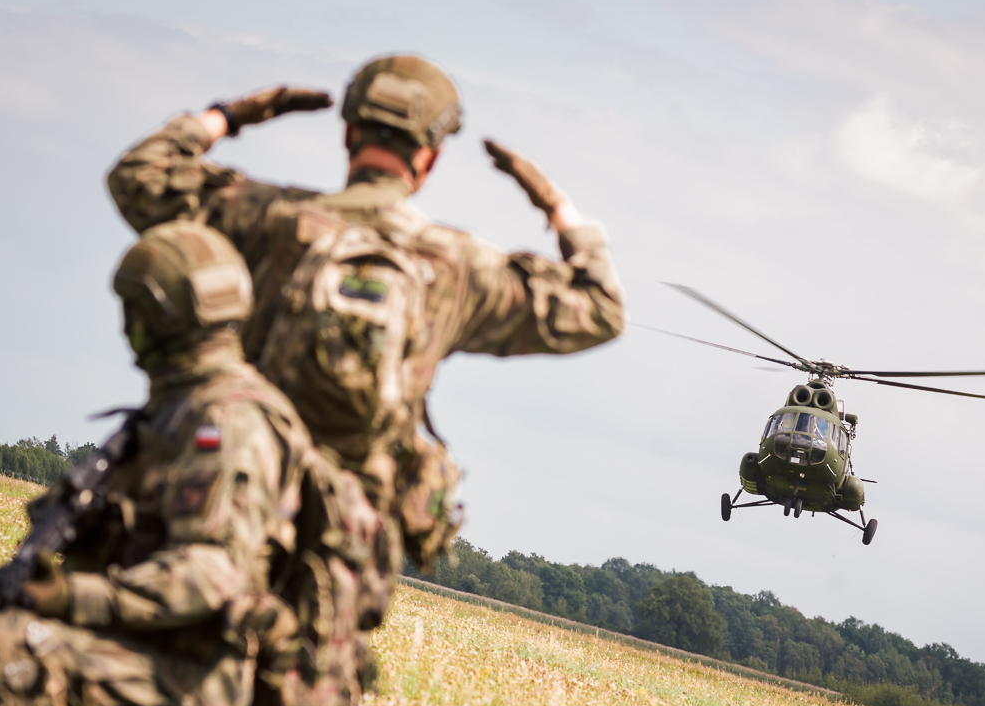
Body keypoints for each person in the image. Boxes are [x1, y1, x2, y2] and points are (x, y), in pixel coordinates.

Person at [106, 54, 626, 577]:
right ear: (431, 158)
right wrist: (558, 208)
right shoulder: (461, 270)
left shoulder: (268, 218)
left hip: (222, 499)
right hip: (339, 551)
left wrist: (227, 115)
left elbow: (137, 177)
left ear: (348, 133)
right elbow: (603, 310)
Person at [0, 221, 375, 706]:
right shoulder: (178, 408)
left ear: (155, 316)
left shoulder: (226, 419)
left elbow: (212, 572)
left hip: (193, 682)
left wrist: (74, 599)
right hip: (156, 655)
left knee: (11, 647)